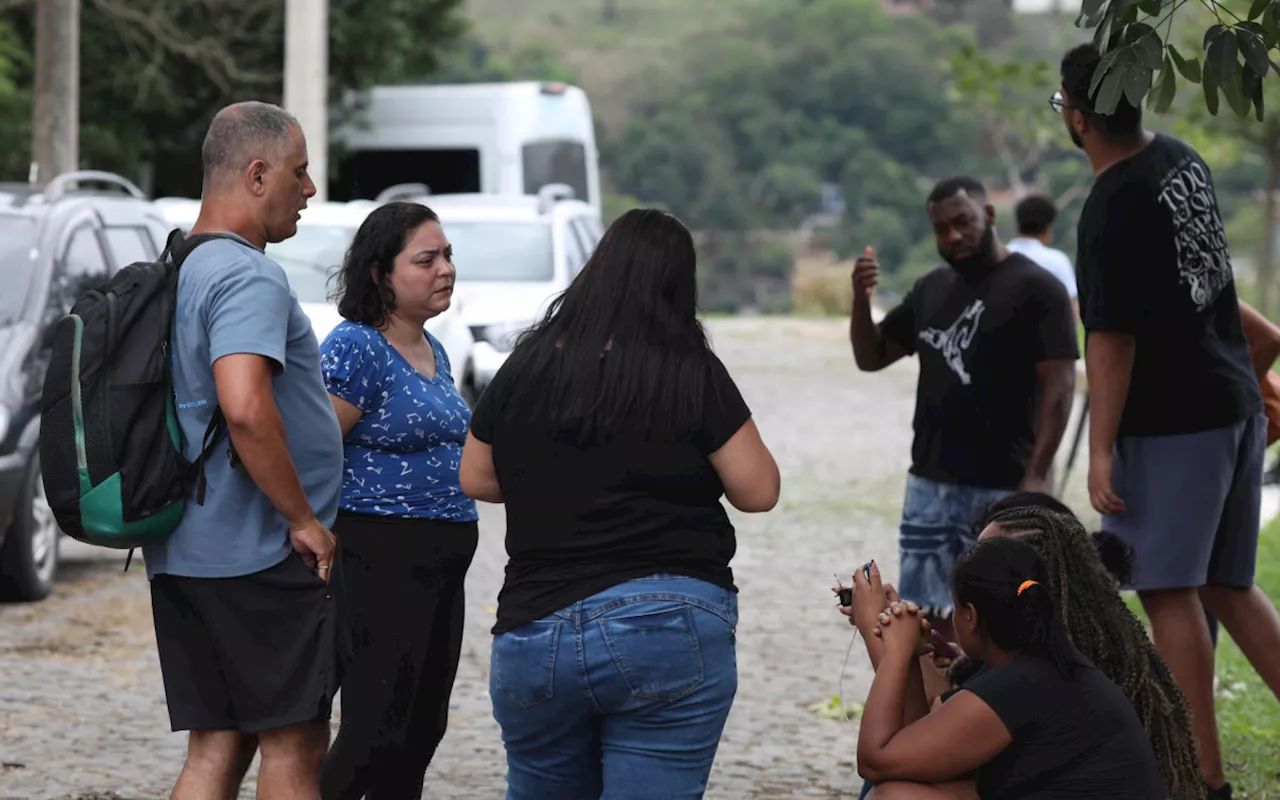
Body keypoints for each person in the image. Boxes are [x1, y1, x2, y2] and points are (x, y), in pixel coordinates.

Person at [458, 208, 781, 798]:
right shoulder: (691, 370)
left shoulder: (526, 366)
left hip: (536, 630)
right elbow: (758, 491)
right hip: (667, 623)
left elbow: (475, 478)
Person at [1061, 42, 1280, 799]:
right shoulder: (1184, 161)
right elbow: (1213, 288)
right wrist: (1256, 369)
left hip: (1175, 422)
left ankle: (1199, 782)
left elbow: (1111, 339)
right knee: (1228, 585)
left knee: (1167, 590)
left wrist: (1098, 450)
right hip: (1232, 404)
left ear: (1078, 119)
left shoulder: (1110, 203)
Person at [144, 101, 343, 799]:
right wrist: (303, 520)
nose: (309, 189)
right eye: (300, 171)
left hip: (188, 549)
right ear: (258, 175)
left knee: (216, 746)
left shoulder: (180, 263)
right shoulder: (246, 274)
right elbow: (246, 407)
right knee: (294, 744)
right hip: (257, 555)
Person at [844, 496, 1204, 800]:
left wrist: (890, 647)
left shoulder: (1026, 680)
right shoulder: (1041, 660)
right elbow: (921, 741)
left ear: (970, 615)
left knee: (894, 794)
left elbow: (878, 759)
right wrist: (903, 649)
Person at [850, 175, 1079, 639]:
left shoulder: (1038, 289)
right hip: (929, 484)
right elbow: (871, 357)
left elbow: (1059, 386)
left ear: (989, 216)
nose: (952, 236)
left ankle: (993, 709)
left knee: (1001, 618)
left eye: (963, 222)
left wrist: (1036, 475)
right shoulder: (932, 288)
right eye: (941, 229)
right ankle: (939, 708)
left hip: (1001, 485)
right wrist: (860, 299)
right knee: (927, 616)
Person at [317, 202, 480, 799]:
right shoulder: (357, 348)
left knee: (421, 729)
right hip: (380, 557)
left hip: (441, 564)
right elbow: (314, 450)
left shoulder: (433, 348)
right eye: (426, 259)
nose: (445, 270)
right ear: (381, 273)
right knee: (373, 730)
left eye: (448, 256)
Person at [1007, 193, 1079, 317]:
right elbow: (1071, 309)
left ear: (1017, 224)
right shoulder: (1057, 260)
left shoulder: (1002, 256)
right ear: (1048, 227)